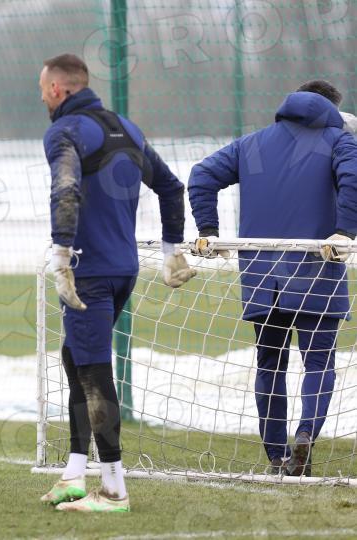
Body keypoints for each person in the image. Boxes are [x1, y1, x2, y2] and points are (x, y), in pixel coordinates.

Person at [38, 54, 194, 513]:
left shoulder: (64, 131)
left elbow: (65, 189)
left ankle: (113, 489)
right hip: (124, 268)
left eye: (42, 89)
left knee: (93, 373)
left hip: (87, 270)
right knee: (75, 358)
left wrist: (61, 256)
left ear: (57, 90)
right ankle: (74, 473)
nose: (42, 97)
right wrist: (171, 250)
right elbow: (171, 187)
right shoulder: (129, 129)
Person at [188, 80, 357, 476]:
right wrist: (345, 232)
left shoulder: (252, 144)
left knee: (270, 365)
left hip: (261, 276)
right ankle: (306, 435)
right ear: (332, 109)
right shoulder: (338, 140)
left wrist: (209, 230)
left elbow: (201, 175)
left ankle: (277, 457)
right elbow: (353, 178)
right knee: (319, 364)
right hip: (317, 269)